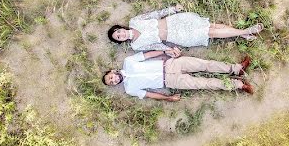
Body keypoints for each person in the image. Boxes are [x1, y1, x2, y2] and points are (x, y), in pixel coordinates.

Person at [102, 47, 254, 101]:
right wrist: (168, 98)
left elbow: (148, 56)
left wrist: (166, 51)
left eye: (111, 77)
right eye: (111, 82)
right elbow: (149, 94)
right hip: (170, 81)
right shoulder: (129, 89)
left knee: (205, 65)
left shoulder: (128, 61)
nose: (114, 80)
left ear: (112, 71)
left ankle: (236, 69)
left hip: (170, 63)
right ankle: (239, 85)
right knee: (203, 83)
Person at [107, 4, 263, 52]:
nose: (121, 35)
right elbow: (156, 47)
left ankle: (242, 34)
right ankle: (246, 31)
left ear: (120, 28)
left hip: (175, 22)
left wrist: (173, 9)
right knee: (210, 33)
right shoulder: (136, 45)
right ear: (121, 41)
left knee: (212, 26)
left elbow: (155, 14)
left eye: (118, 32)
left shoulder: (135, 21)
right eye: (119, 38)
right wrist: (171, 51)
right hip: (177, 37)